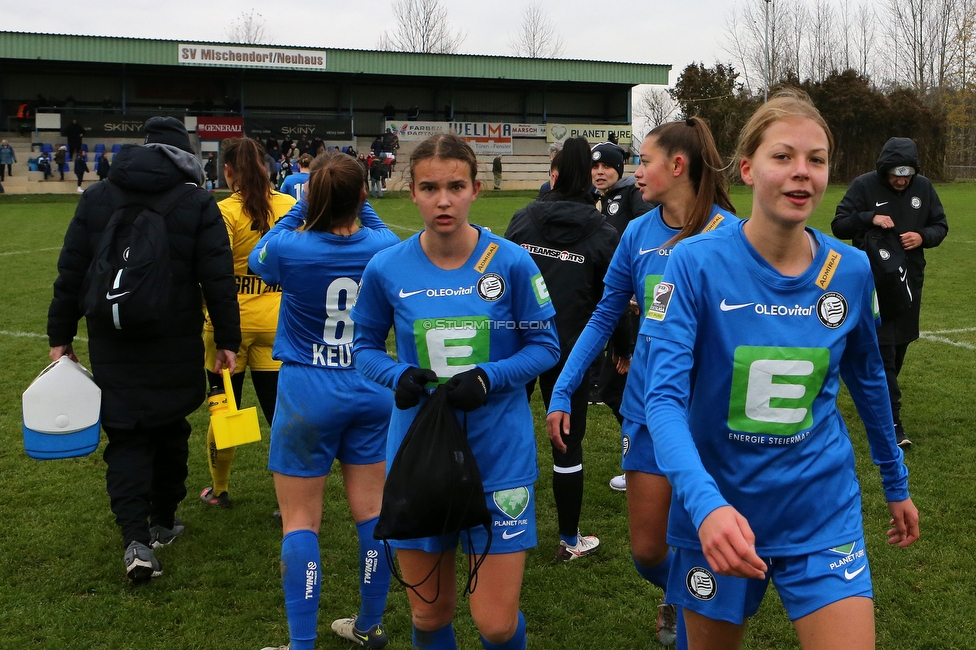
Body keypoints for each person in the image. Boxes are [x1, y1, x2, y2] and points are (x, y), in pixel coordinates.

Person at [643, 91, 919, 650]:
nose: (802, 173)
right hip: (719, 512)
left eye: (816, 160)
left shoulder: (850, 270)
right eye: (783, 156)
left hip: (822, 511)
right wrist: (705, 503)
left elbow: (868, 382)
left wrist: (895, 481)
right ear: (747, 168)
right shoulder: (694, 262)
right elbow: (663, 401)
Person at [351, 133, 560, 650]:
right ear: (411, 191)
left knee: (495, 623)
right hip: (421, 454)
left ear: (475, 189)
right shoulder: (386, 268)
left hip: (499, 455)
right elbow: (363, 347)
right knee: (429, 616)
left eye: (455, 186)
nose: (443, 200)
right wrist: (395, 375)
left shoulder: (510, 262)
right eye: (429, 188)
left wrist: (491, 376)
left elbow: (546, 345)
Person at [546, 116, 737, 648]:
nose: (635, 173)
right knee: (648, 552)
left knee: (703, 542)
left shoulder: (731, 235)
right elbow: (605, 314)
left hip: (708, 413)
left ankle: (696, 613)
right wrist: (564, 388)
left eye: (643, 161)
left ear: (678, 166)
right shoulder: (637, 231)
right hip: (647, 409)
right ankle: (685, 595)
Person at [47, 116, 240, 583]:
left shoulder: (96, 196)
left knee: (127, 434)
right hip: (172, 333)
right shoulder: (197, 201)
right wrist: (228, 341)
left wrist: (60, 336)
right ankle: (163, 521)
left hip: (111, 335)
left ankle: (135, 538)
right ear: (185, 156)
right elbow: (217, 277)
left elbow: (72, 270)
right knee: (171, 426)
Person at [250, 152, 399, 650]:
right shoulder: (383, 245)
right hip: (372, 386)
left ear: (312, 195)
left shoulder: (292, 247)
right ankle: (368, 624)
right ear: (362, 195)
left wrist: (303, 205)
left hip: (308, 389)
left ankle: (301, 644)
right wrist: (355, 198)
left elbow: (260, 257)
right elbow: (374, 225)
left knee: (300, 520)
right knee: (373, 513)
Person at [504, 137, 620, 562]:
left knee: (504, 432)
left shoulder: (523, 220)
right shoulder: (605, 232)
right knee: (567, 443)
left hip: (518, 345)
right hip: (570, 351)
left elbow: (501, 281)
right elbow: (616, 299)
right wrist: (621, 347)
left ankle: (493, 525)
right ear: (588, 177)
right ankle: (569, 540)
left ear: (554, 175)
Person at [831, 137, 948, 448]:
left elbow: (940, 225)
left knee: (899, 347)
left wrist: (922, 236)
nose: (901, 179)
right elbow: (839, 225)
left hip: (910, 280)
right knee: (883, 351)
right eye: (896, 173)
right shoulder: (863, 186)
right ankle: (893, 422)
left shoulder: (923, 188)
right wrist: (870, 218)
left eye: (907, 174)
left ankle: (879, 396)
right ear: (883, 170)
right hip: (874, 281)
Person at [199, 138, 296, 510]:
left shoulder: (222, 211)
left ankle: (219, 490)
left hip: (228, 326)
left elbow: (212, 271)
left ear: (227, 171)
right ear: (268, 168)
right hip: (277, 321)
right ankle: (288, 497)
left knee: (224, 409)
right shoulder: (289, 206)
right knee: (280, 414)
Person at [588, 141, 658, 491]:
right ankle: (643, 460)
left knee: (621, 387)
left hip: (632, 308)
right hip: (613, 303)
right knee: (616, 388)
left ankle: (644, 462)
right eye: (594, 167)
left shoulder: (633, 198)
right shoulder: (595, 200)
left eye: (607, 166)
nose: (600, 172)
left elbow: (650, 247)